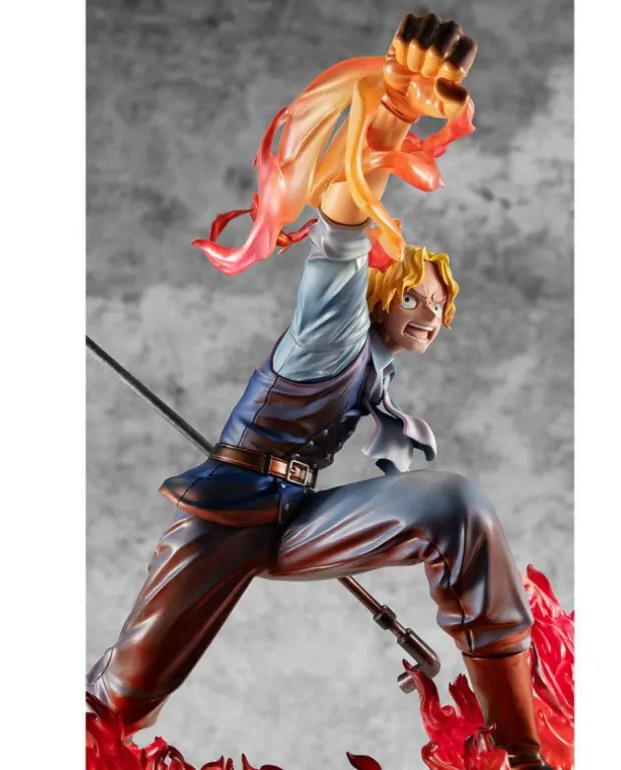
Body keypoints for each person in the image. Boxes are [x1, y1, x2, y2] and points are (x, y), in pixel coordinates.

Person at [87, 13, 554, 770]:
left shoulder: (378, 368)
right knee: (122, 700)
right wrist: (391, 113)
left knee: (455, 507)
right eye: (415, 298)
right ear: (381, 295)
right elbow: (342, 231)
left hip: (295, 513)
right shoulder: (333, 331)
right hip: (230, 512)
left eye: (439, 306)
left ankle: (520, 751)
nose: (429, 315)